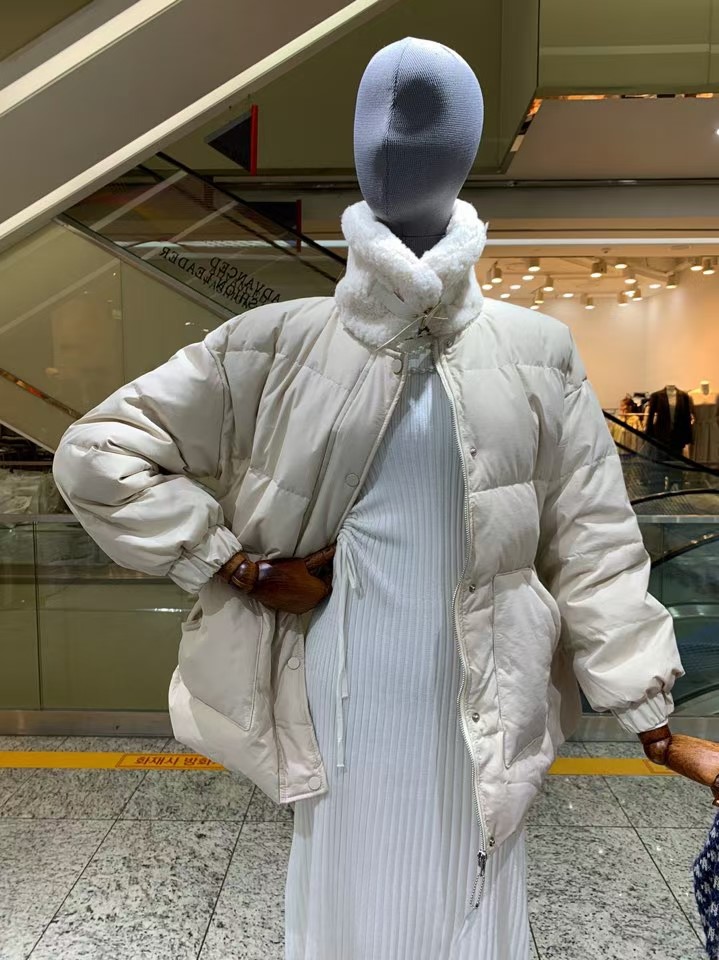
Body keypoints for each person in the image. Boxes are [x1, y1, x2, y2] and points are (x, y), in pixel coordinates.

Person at [54, 39, 687, 960]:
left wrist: (651, 716)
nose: (396, 148)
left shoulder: (535, 350)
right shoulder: (275, 343)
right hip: (339, 682)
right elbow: (97, 453)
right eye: (377, 128)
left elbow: (592, 538)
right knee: (352, 887)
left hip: (490, 683)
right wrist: (232, 565)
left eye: (426, 130)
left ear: (465, 153)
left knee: (473, 874)